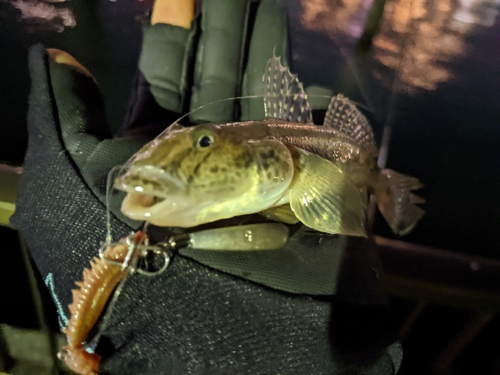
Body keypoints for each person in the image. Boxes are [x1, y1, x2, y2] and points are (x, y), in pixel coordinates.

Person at [11, 0, 402, 373]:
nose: (201, 148)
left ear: (273, 156)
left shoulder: (296, 162)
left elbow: (335, 204)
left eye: (204, 144)